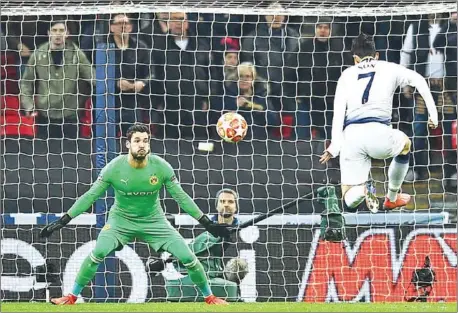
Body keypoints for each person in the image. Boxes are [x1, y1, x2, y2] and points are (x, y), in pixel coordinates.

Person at [40, 124, 230, 305]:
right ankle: (71, 296)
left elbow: (181, 197)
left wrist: (207, 223)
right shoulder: (114, 168)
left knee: (188, 258)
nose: (142, 145)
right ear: (128, 144)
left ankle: (210, 298)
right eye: (137, 140)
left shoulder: (161, 167)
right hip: (120, 220)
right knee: (98, 252)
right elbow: (90, 196)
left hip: (154, 221)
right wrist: (63, 220)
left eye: (146, 141)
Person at [319, 34, 438, 213]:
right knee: (405, 144)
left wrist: (334, 146)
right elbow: (420, 80)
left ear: (355, 59)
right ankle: (391, 197)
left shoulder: (346, 74)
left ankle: (362, 190)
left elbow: (338, 113)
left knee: (348, 200)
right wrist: (433, 114)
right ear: (377, 55)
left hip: (351, 136)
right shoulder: (389, 68)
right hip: (380, 133)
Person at [147, 189, 248, 302]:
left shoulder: (242, 229)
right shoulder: (204, 227)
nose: (226, 204)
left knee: (239, 266)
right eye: (222, 201)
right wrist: (168, 259)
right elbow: (193, 247)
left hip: (219, 272)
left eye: (230, 202)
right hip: (199, 269)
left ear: (236, 206)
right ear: (217, 205)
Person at [20, 19, 94, 139]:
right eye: (54, 30)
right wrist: (28, 105)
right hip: (44, 115)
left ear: (67, 33)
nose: (58, 34)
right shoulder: (38, 54)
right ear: (49, 33)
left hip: (70, 116)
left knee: (71, 154)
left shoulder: (77, 54)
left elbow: (91, 76)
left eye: (61, 30)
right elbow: (26, 83)